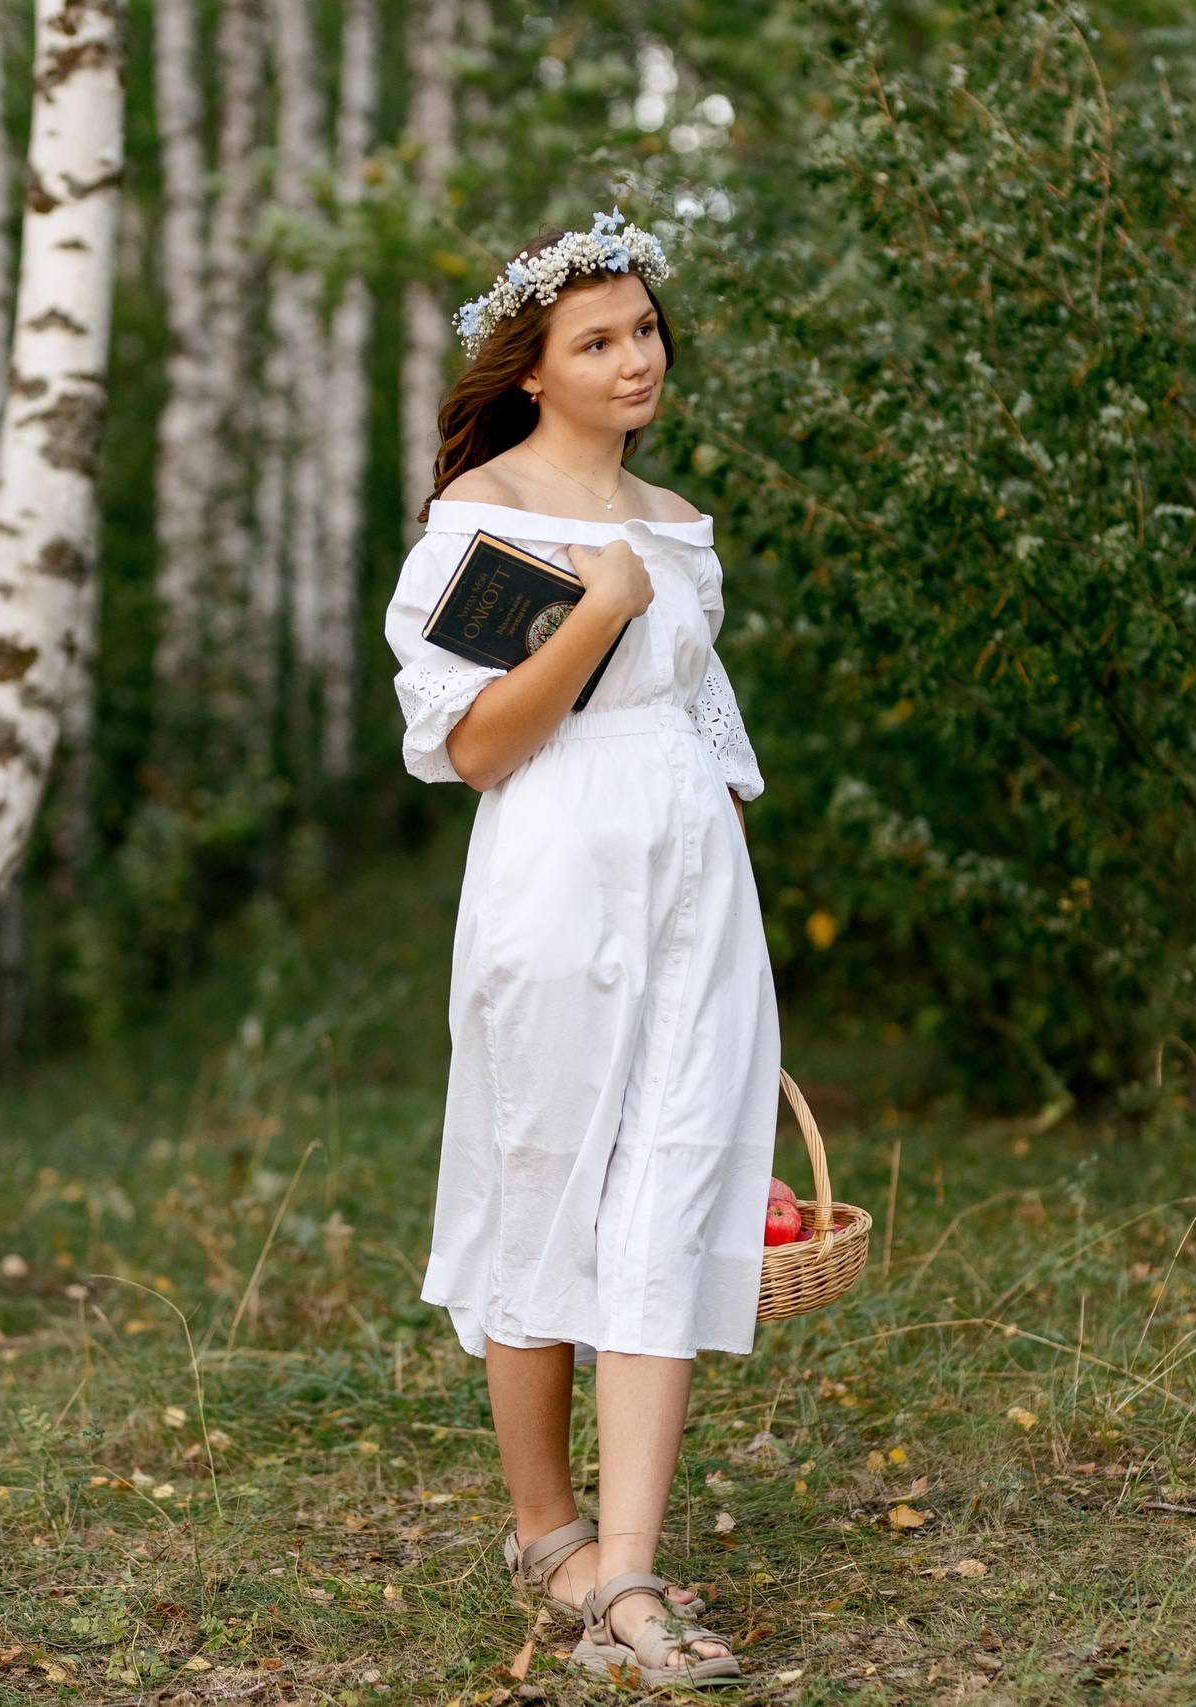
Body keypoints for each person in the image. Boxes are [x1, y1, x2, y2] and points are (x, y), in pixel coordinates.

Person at [382, 213, 776, 1689]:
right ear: (536, 371)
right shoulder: (486, 523)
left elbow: (695, 697)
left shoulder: (674, 517)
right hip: (557, 875)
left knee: (672, 1184)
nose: (635, 360)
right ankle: (547, 1533)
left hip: (693, 883)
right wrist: (595, 607)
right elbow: (479, 747)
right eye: (598, 342)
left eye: (646, 332)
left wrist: (724, 804)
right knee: (549, 1181)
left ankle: (630, 1576)